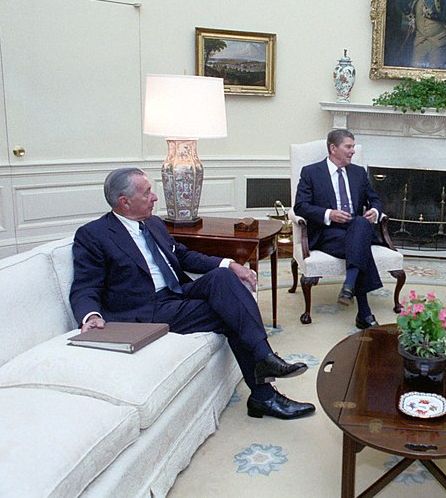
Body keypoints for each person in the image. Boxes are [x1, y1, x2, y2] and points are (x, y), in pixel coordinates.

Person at [70, 168, 315, 420]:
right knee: (231, 313)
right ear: (125, 201)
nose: (155, 198)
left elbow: (182, 255)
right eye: (147, 193)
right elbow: (85, 285)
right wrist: (90, 316)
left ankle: (264, 361)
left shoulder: (153, 223)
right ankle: (264, 394)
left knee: (223, 278)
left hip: (176, 291)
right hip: (146, 308)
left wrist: (229, 264)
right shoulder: (94, 235)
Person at [293, 129, 384, 329]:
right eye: (348, 147)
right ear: (333, 148)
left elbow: (375, 199)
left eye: (353, 147)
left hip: (356, 227)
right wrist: (328, 214)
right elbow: (300, 206)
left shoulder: (358, 172)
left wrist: (375, 212)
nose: (353, 151)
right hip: (328, 232)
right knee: (360, 247)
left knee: (360, 223)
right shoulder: (311, 172)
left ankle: (349, 286)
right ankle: (363, 312)